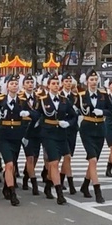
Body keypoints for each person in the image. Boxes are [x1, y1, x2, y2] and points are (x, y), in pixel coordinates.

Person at [36, 74, 77, 204]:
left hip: (61, 133)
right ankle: (59, 193)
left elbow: (73, 115)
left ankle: (48, 185)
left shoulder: (64, 100)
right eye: (52, 83)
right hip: (48, 134)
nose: (55, 85)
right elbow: (37, 115)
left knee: (67, 157)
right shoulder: (43, 100)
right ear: (48, 85)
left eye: (56, 83)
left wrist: (69, 123)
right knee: (53, 163)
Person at [75, 70, 112, 203]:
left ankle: (85, 185)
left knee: (94, 160)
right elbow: (70, 110)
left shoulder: (104, 95)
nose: (93, 82)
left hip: (100, 129)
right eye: (91, 80)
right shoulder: (80, 96)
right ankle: (98, 191)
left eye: (95, 79)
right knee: (92, 160)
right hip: (87, 128)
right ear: (86, 82)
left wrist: (102, 111)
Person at [0, 75, 28, 206]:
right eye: (12, 84)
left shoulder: (22, 101)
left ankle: (6, 186)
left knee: (12, 165)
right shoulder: (0, 101)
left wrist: (28, 114)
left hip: (16, 136)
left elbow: (36, 113)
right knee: (9, 164)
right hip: (4, 136)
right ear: (7, 86)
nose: (14, 86)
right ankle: (13, 192)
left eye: (16, 84)